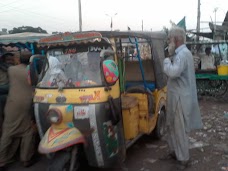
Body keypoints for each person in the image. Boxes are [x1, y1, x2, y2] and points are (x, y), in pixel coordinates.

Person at [162, 27, 203, 170]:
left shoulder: (182, 54)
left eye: (169, 39)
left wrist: (167, 59)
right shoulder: (182, 53)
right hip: (177, 96)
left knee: (179, 129)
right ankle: (175, 152)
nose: (168, 41)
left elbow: (173, 72)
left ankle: (183, 159)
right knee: (172, 126)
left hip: (180, 98)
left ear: (175, 39)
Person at [0, 55, 35, 170]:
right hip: (27, 103)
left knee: (8, 132)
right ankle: (25, 159)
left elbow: (4, 66)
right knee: (28, 131)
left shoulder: (11, 70)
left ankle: (2, 160)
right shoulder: (32, 73)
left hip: (13, 104)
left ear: (18, 60)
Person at [0, 52, 15, 135]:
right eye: (8, 60)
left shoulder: (11, 69)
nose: (10, 62)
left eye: (11, 60)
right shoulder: (6, 68)